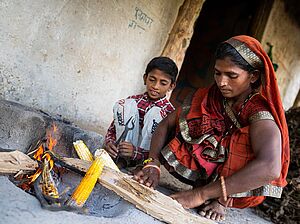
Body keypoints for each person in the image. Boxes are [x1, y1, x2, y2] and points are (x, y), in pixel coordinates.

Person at [134, 35, 290, 221]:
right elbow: (166, 123)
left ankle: (222, 199)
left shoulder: (259, 112)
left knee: (241, 142)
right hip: (211, 169)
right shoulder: (213, 95)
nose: (222, 82)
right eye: (217, 73)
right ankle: (205, 189)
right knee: (192, 120)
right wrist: (153, 163)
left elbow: (270, 168)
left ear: (253, 76)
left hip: (240, 183)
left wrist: (200, 195)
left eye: (232, 75)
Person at [104, 56, 178, 168]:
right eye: (152, 80)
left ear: (171, 86)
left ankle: (142, 166)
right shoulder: (133, 101)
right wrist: (110, 142)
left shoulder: (169, 112)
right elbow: (113, 129)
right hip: (124, 150)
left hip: (146, 156)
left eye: (163, 83)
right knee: (124, 105)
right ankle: (122, 159)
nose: (155, 86)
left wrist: (137, 153)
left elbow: (164, 148)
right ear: (145, 78)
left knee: (156, 113)